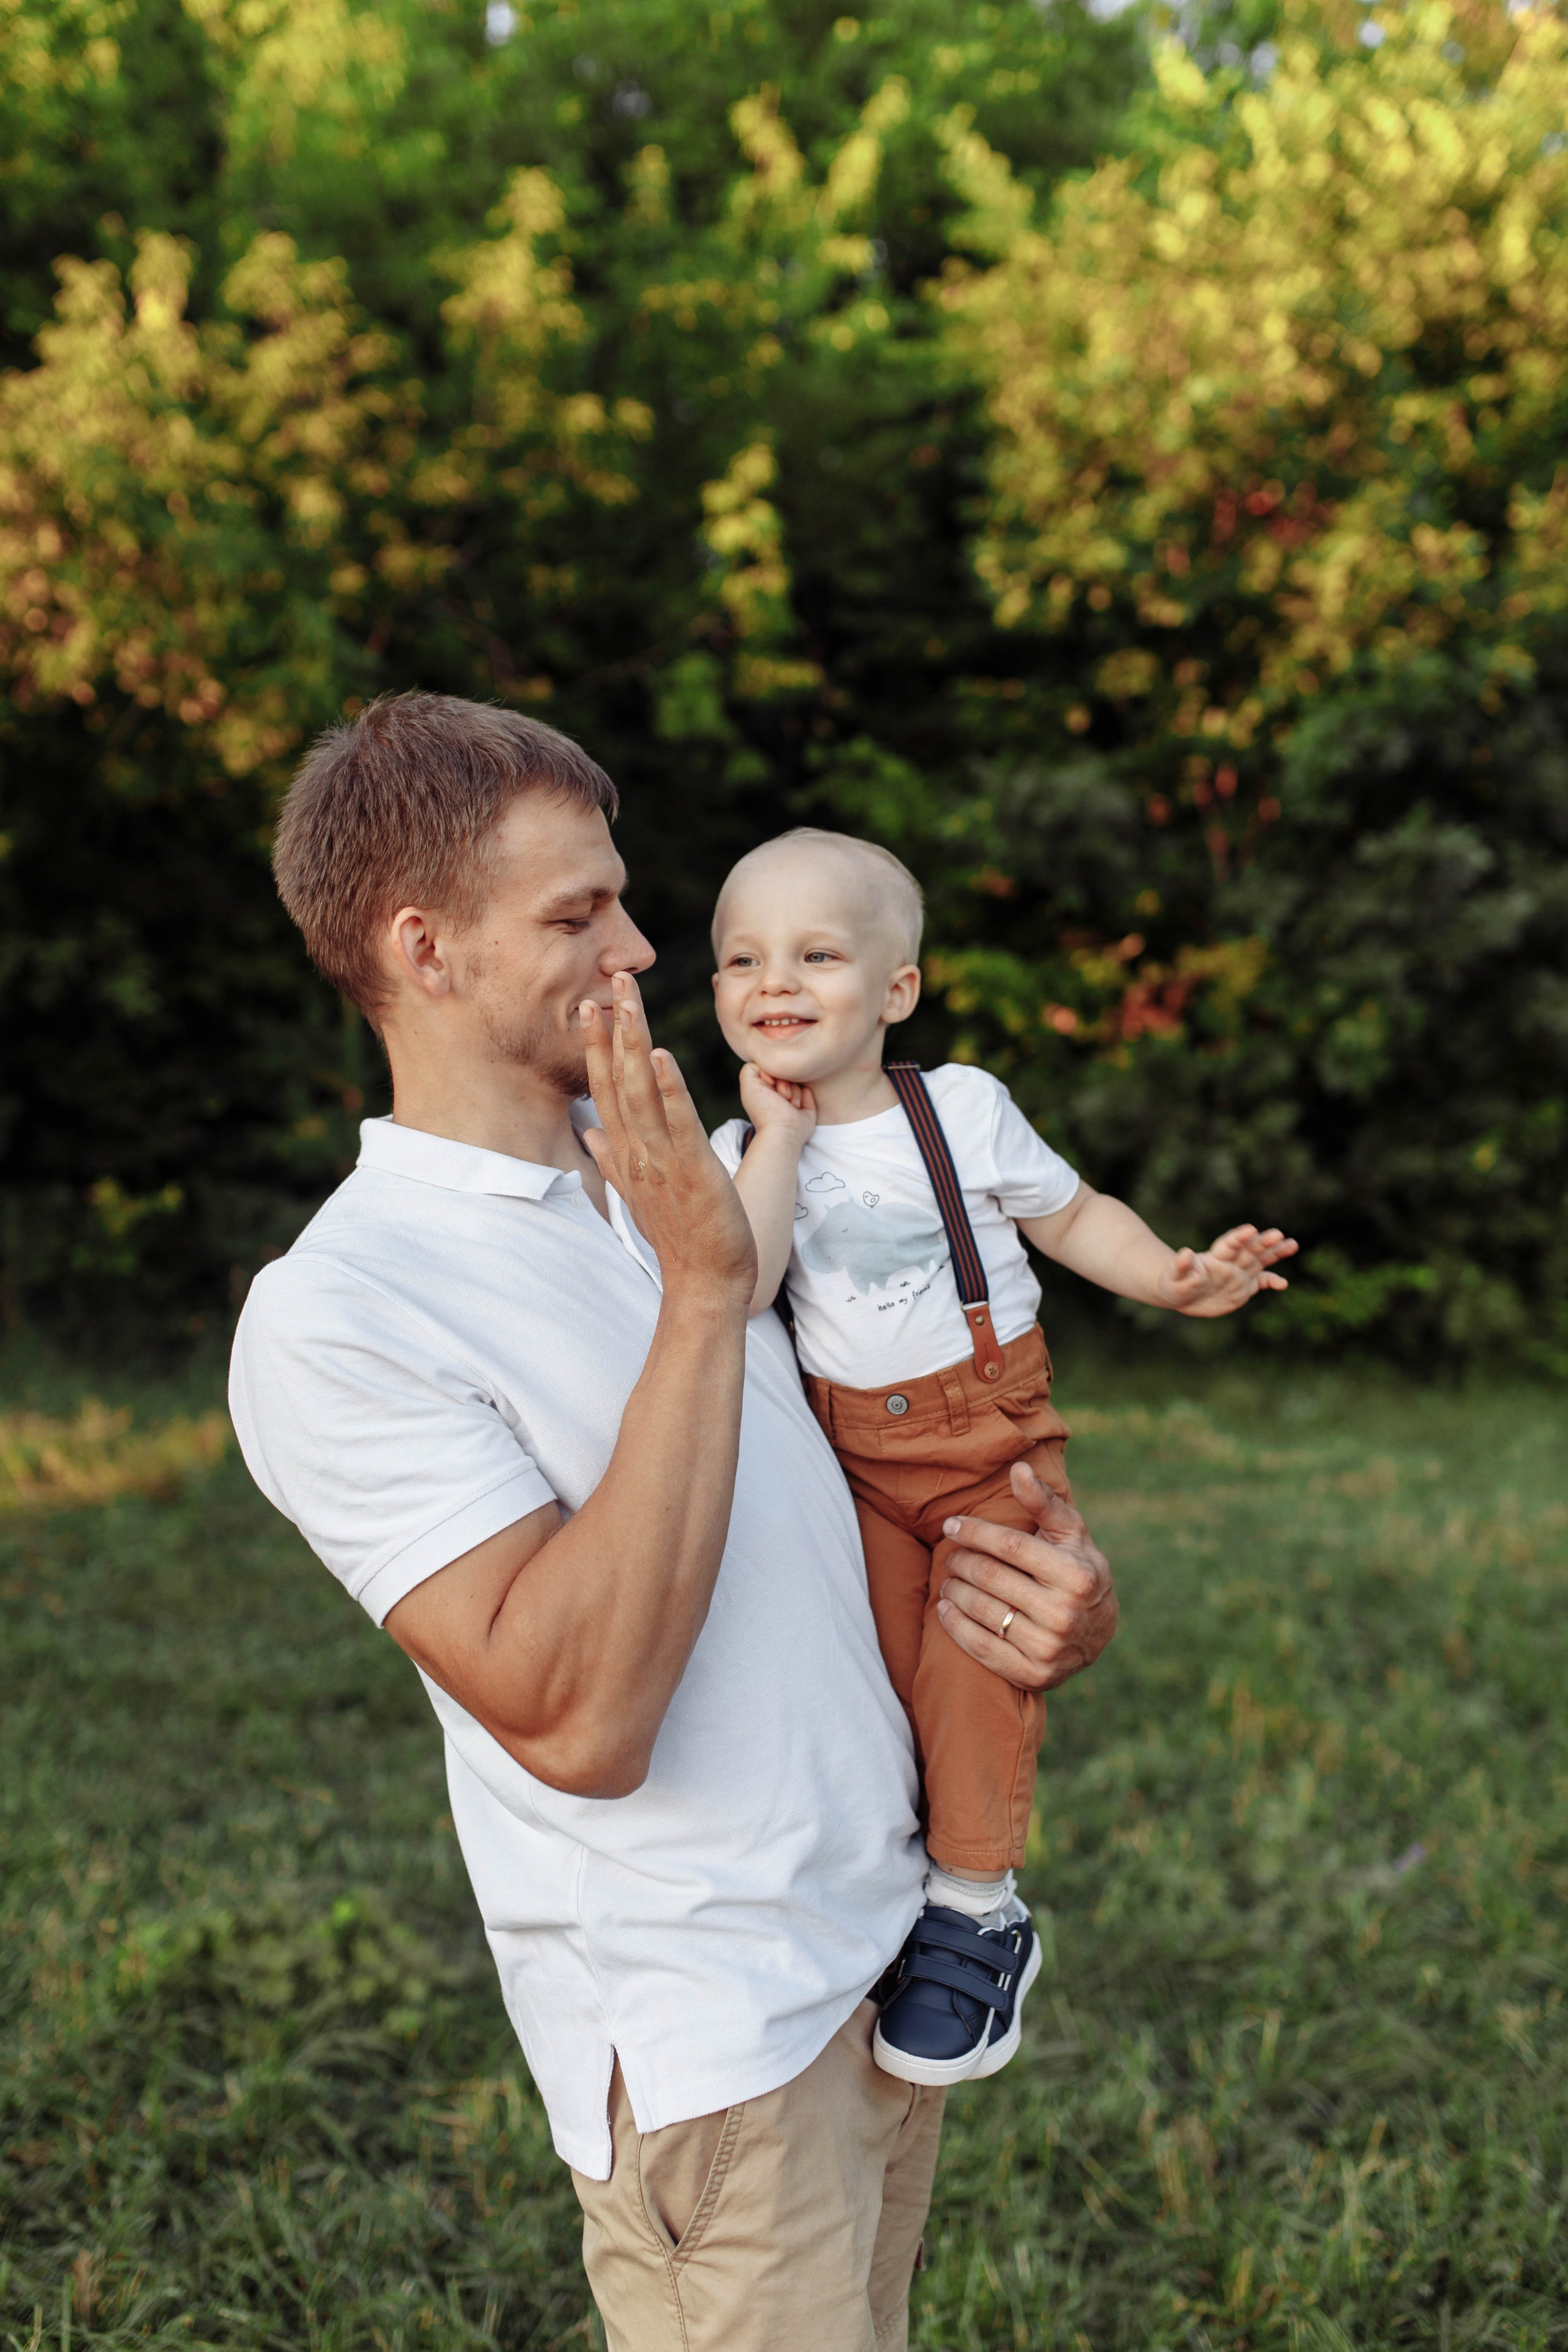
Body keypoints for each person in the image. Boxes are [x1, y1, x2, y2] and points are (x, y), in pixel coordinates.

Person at [227, 694, 1121, 2352]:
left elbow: (867, 1486)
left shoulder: (675, 1167)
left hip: (878, 1970)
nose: (641, 948)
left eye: (626, 900)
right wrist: (706, 1299)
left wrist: (1042, 1598)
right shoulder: (344, 1312)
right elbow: (578, 1716)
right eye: (578, 915)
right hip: (723, 2058)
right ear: (422, 948)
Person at [709, 827, 1297, 2090]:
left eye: (815, 953)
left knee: (976, 1658)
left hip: (986, 1449)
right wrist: (774, 1143)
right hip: (850, 1461)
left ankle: (976, 1905)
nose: (775, 982)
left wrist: (1170, 1280)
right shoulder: (742, 1155)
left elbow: (1071, 1216)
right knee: (867, 1672)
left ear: (896, 990)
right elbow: (743, 1282)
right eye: (741, 960)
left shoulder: (959, 1110)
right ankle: (884, 1893)